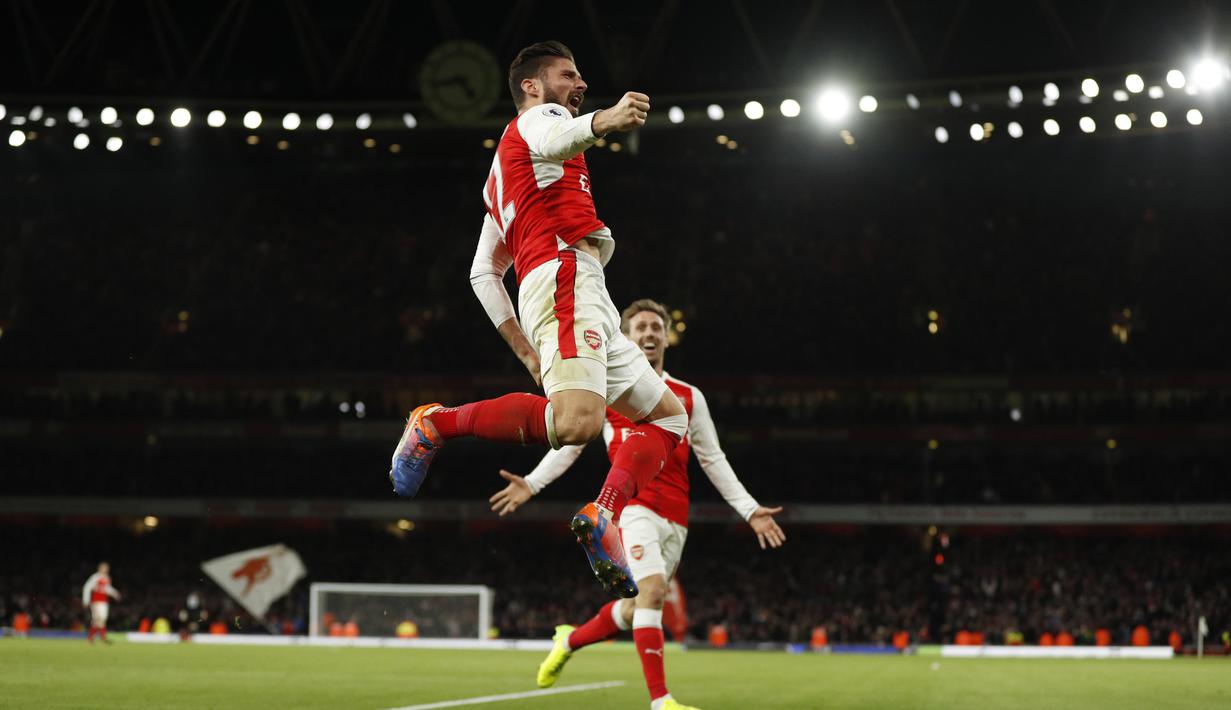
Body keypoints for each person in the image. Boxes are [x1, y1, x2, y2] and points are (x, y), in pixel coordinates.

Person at [388, 41, 687, 599]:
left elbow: (483, 273)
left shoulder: (504, 177)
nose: (580, 84)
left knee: (670, 420)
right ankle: (437, 423)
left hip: (581, 288)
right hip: (565, 276)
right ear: (532, 86)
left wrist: (525, 350)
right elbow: (553, 135)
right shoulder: (537, 123)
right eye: (568, 75)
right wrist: (606, 120)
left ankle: (603, 514)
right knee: (578, 424)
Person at [490, 299, 786, 710]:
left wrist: (750, 510)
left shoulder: (688, 397)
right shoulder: (609, 394)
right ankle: (661, 700)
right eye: (640, 327)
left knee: (634, 608)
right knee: (653, 593)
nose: (649, 333)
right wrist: (533, 483)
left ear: (666, 337)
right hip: (633, 510)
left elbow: (713, 459)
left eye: (655, 327)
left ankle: (569, 641)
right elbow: (571, 446)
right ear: (625, 338)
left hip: (676, 517)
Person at [82, 562, 121, 644]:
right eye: (104, 568)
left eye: (106, 568)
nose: (106, 569)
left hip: (104, 602)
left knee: (101, 619)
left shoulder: (107, 578)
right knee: (98, 619)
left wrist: (115, 593)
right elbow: (87, 587)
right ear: (99, 568)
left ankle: (91, 638)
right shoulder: (95, 577)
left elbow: (107, 589)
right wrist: (86, 600)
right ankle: (102, 638)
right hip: (96, 601)